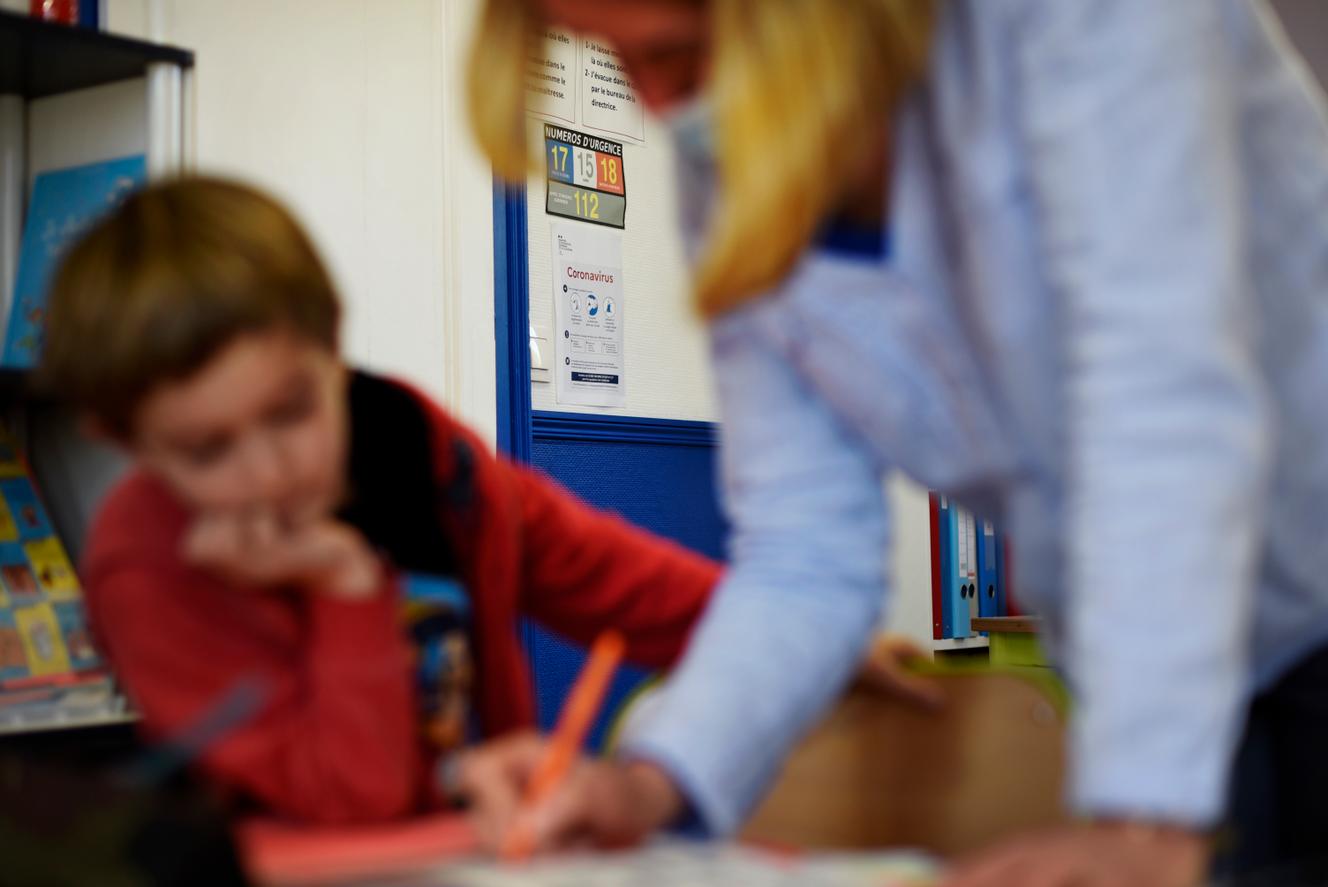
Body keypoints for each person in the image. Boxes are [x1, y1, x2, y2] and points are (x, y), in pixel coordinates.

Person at [465, 0, 1328, 884]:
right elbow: (805, 552)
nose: (654, 109)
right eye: (612, 65)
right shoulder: (731, 176)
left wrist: (1143, 815)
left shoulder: (1081, 25)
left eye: (681, 58)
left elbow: (1160, 404)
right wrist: (649, 783)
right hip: (1196, 657)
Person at [41, 177, 720, 843]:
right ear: (128, 442)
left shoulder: (429, 457)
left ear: (333, 345)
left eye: (291, 410)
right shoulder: (149, 570)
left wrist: (809, 635)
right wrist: (346, 585)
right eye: (206, 451)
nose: (270, 472)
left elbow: (666, 599)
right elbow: (353, 803)